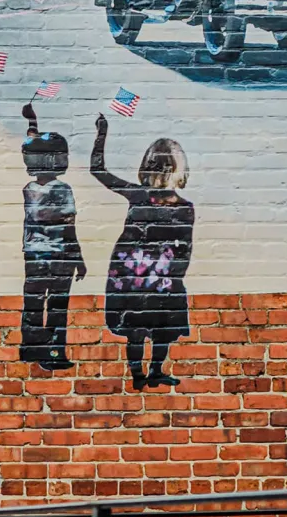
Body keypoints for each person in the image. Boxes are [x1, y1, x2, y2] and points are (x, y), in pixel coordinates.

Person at [90, 123, 195, 391]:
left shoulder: (138, 195)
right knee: (162, 330)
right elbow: (185, 248)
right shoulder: (185, 208)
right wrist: (175, 278)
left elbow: (98, 171)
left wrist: (101, 134)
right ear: (179, 171)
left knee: (135, 329)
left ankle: (138, 375)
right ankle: (155, 371)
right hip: (163, 277)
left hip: (131, 276)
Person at [18, 105, 85, 370]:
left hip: (33, 254)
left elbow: (30, 145)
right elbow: (69, 227)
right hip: (59, 255)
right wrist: (78, 258)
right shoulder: (63, 190)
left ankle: (30, 349)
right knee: (57, 304)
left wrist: (32, 121)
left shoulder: (29, 189)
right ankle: (54, 354)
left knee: (32, 302)